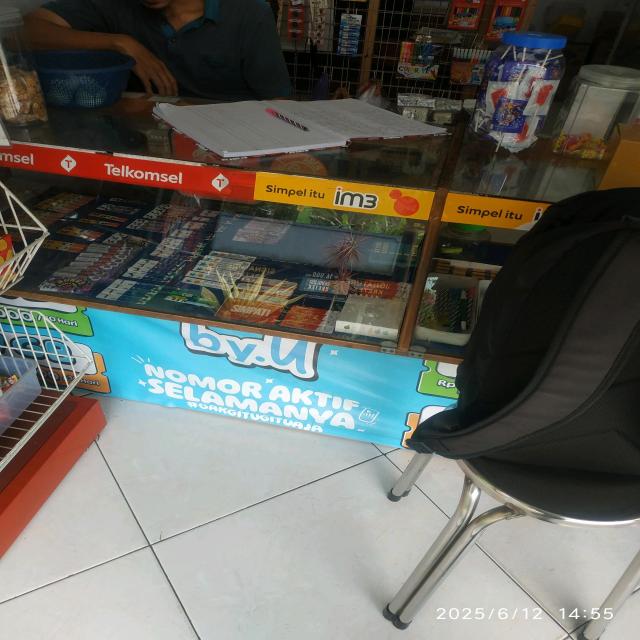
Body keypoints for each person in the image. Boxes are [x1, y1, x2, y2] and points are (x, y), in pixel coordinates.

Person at [24, 0, 293, 101]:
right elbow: (27, 31)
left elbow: (279, 105)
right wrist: (120, 43)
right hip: (143, 152)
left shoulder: (249, 13)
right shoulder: (117, 6)